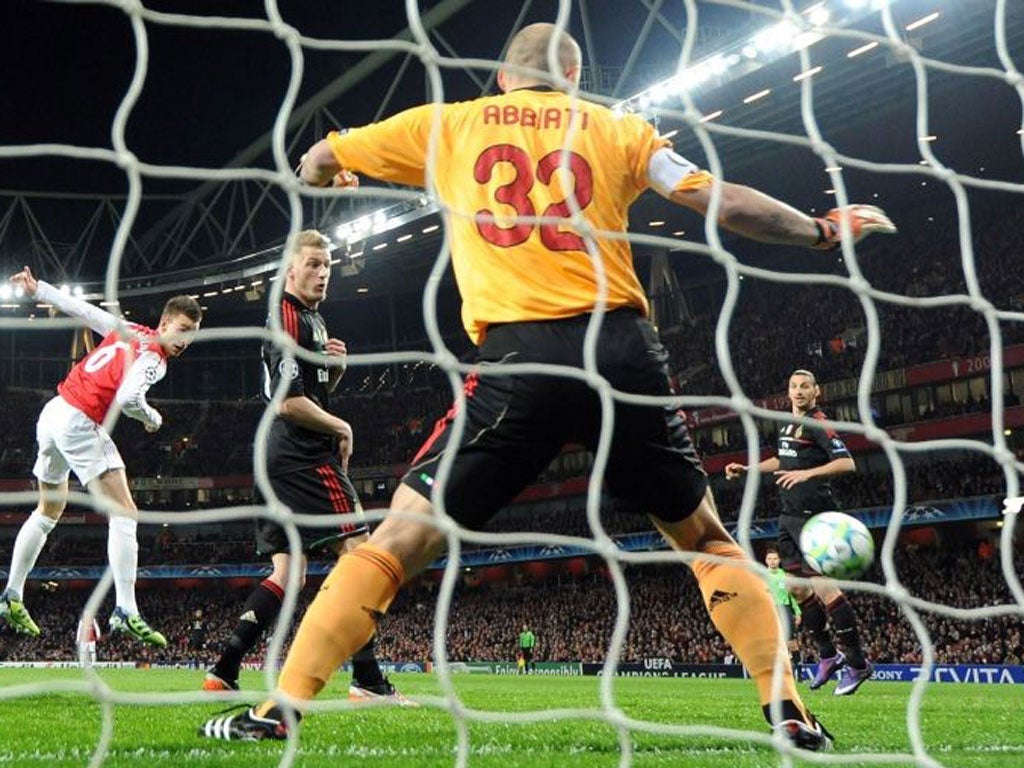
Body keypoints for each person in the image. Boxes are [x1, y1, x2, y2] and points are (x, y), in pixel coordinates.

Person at [198, 23, 894, 747]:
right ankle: (787, 710)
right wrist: (820, 229)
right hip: (623, 357)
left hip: (516, 359)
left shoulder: (449, 125)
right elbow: (723, 201)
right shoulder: (620, 129)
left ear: (503, 77)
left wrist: (331, 175)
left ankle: (278, 710)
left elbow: (314, 158)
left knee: (397, 540)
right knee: (709, 541)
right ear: (573, 74)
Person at [202, 230, 412, 706]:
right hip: (300, 451)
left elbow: (309, 390)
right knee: (360, 551)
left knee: (288, 572)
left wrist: (333, 369)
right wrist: (342, 426)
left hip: (274, 456)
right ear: (290, 269)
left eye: (328, 267)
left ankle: (224, 669)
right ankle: (369, 681)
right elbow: (288, 403)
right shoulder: (286, 315)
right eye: (313, 264)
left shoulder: (312, 321)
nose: (322, 274)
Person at [0, 267, 201, 647]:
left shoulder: (130, 330)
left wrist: (38, 288)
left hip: (53, 411)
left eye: (192, 335)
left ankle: (11, 595)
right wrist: (152, 418)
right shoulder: (155, 358)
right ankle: (125, 609)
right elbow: (128, 400)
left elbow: (83, 311)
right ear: (164, 323)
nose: (185, 341)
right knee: (125, 512)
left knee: (47, 511)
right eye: (181, 330)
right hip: (78, 421)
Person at [726, 370, 872, 696]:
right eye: (793, 386)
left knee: (825, 589)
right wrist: (749, 469)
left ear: (816, 391)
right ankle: (828, 656)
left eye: (805, 386)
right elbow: (782, 459)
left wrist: (808, 474)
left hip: (815, 520)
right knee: (797, 590)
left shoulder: (819, 423)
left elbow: (846, 463)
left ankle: (858, 664)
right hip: (788, 517)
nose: (798, 391)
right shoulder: (787, 424)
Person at [765, 546, 802, 666]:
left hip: (784, 609)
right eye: (770, 559)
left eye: (775, 558)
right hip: (770, 610)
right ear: (766, 560)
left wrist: (797, 612)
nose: (772, 561)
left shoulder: (785, 575)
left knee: (791, 641)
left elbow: (792, 595)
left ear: (779, 560)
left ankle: (799, 669)